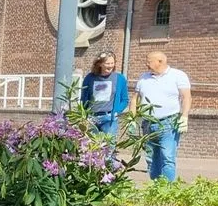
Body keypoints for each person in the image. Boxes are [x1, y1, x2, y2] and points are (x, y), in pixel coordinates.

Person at [130, 51, 191, 182]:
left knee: (167, 157)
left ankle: (167, 190)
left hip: (168, 122)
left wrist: (184, 117)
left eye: (149, 61)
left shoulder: (178, 76)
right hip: (148, 123)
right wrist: (131, 119)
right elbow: (135, 99)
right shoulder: (143, 78)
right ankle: (155, 186)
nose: (146, 64)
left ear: (160, 61)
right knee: (151, 158)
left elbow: (186, 97)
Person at [79, 51, 129, 136]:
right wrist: (83, 115)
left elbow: (125, 100)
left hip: (109, 118)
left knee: (108, 147)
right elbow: (83, 98)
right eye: (107, 63)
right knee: (91, 147)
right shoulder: (90, 78)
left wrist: (117, 111)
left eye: (112, 63)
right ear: (100, 64)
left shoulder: (119, 78)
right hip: (92, 118)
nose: (110, 66)